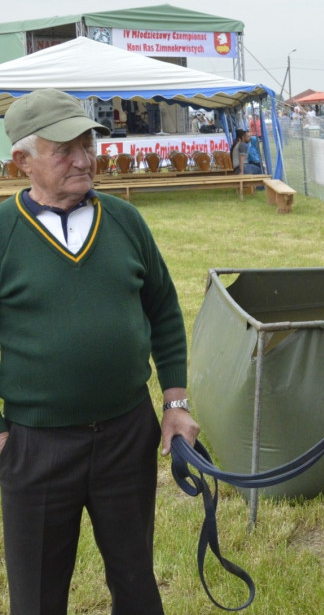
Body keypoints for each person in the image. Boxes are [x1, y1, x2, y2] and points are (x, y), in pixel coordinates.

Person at [0, 88, 199, 615]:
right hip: (34, 444)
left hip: (126, 436)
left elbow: (164, 310)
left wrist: (175, 404)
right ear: (22, 161)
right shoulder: (2, 232)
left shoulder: (125, 220)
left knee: (136, 586)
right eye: (63, 148)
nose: (84, 158)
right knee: (37, 597)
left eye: (87, 142)